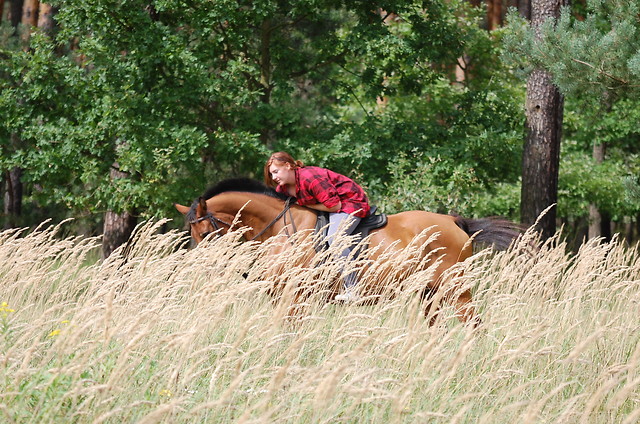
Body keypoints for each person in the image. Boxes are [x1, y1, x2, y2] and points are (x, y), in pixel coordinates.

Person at [264, 151, 371, 302]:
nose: (274, 177)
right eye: (272, 174)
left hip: (349, 203)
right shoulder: (282, 189)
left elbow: (335, 206)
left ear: (288, 166)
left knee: (335, 239)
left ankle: (353, 289)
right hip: (327, 207)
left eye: (276, 172)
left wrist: (304, 203)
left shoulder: (310, 178)